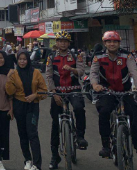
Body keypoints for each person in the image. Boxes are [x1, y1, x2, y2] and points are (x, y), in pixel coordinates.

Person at [90, 31, 137, 170]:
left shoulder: (127, 55)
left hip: (126, 92)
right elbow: (93, 73)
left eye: (115, 41)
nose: (112, 44)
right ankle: (106, 146)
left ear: (118, 43)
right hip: (107, 92)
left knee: (136, 123)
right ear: (105, 43)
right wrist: (95, 84)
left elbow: (134, 71)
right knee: (104, 112)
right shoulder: (98, 57)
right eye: (109, 42)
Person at [45, 31, 88, 169]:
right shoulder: (51, 57)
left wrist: (72, 69)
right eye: (60, 41)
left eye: (65, 41)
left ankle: (80, 136)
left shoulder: (76, 56)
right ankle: (54, 156)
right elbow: (49, 76)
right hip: (58, 92)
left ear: (69, 43)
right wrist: (53, 92)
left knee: (79, 108)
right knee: (55, 124)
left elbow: (82, 72)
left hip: (73, 89)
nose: (62, 43)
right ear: (56, 43)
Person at [5, 51, 47, 170]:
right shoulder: (14, 73)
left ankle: (37, 164)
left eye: (24, 59)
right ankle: (27, 160)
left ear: (28, 60)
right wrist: (8, 78)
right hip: (19, 106)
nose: (22, 62)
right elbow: (10, 92)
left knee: (32, 134)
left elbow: (44, 90)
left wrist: (35, 95)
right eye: (20, 59)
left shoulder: (36, 72)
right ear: (17, 61)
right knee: (22, 134)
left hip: (32, 106)